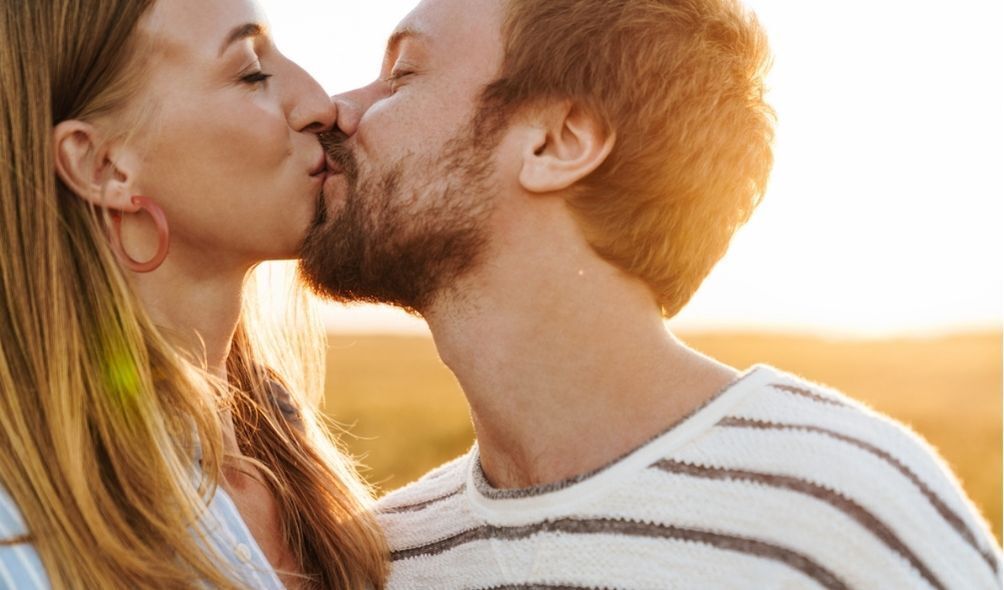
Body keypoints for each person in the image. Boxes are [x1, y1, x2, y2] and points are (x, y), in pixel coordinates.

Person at [300, 0, 1003, 587]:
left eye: (402, 74)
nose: (339, 108)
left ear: (558, 142)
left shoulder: (843, 510)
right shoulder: (388, 559)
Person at [0, 1, 387, 588]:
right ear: (104, 166)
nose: (319, 103)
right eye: (252, 71)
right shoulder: (21, 535)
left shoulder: (291, 455)